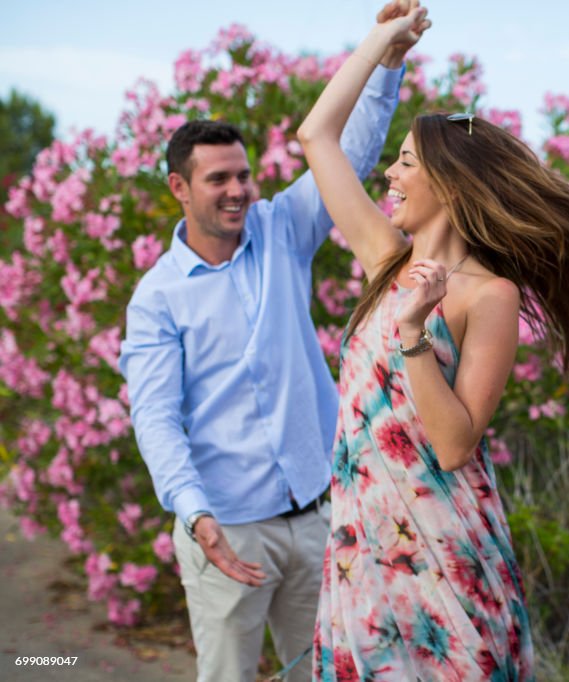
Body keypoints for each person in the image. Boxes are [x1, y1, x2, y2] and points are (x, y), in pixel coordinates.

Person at [296, 3, 569, 680]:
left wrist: (414, 332)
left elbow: (453, 443)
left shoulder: (489, 296)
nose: (387, 173)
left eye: (405, 162)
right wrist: (383, 47)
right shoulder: (386, 258)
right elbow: (316, 137)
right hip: (362, 542)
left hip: (444, 550)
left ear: (447, 181)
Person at [117, 5, 428, 680]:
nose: (237, 191)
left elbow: (349, 156)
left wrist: (389, 62)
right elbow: (156, 417)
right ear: (179, 188)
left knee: (326, 670)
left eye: (242, 175)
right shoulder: (158, 299)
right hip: (227, 528)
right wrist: (196, 517)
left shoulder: (282, 228)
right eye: (217, 180)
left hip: (319, 516)